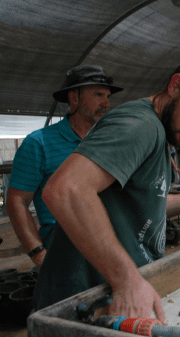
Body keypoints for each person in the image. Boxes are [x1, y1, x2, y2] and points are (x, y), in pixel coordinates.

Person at [34, 55, 180, 321]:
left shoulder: (162, 132)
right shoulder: (142, 126)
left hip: (107, 302)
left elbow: (144, 203)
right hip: (80, 304)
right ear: (175, 85)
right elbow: (65, 190)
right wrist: (127, 279)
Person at [6, 65, 123, 269]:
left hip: (111, 244)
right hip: (66, 251)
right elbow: (17, 200)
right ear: (74, 98)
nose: (106, 103)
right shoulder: (39, 143)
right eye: (98, 95)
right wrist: (37, 253)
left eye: (107, 96)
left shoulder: (109, 140)